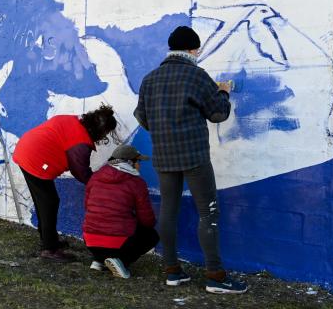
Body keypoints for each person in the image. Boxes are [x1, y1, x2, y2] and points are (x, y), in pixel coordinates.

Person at [134, 26, 247, 294]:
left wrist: (163, 130)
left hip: (164, 155)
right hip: (194, 156)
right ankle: (215, 276)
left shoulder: (150, 79)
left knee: (168, 211)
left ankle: (172, 271)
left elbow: (142, 116)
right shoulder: (196, 76)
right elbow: (218, 114)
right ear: (192, 50)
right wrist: (223, 91)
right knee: (208, 212)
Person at [13, 105, 117, 263]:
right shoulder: (80, 143)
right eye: (106, 133)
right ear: (100, 131)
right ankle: (49, 249)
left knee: (44, 202)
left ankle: (49, 240)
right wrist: (100, 184)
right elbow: (80, 172)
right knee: (48, 203)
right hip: (35, 159)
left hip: (26, 150)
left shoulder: (74, 120)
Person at [82, 144, 158, 279]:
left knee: (101, 223)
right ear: (129, 162)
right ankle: (121, 262)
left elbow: (87, 206)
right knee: (151, 236)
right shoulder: (136, 183)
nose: (139, 165)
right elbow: (147, 219)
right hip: (117, 243)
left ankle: (99, 260)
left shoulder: (95, 177)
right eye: (138, 161)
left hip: (90, 240)